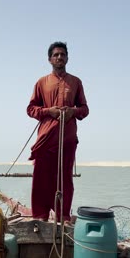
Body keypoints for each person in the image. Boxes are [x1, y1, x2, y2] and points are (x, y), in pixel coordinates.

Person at [26, 41, 89, 222]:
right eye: (56, 55)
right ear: (49, 59)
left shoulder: (76, 82)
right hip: (46, 138)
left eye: (62, 54)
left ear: (67, 58)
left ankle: (63, 217)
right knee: (41, 178)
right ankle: (40, 217)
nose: (59, 57)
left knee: (65, 178)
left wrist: (73, 111)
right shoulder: (41, 82)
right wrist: (49, 111)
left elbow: (85, 109)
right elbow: (31, 109)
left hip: (67, 138)